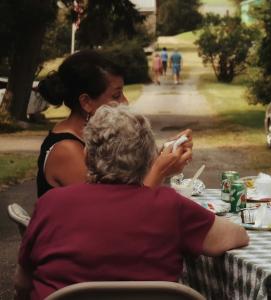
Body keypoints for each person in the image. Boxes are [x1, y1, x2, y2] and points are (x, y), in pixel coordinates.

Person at [14, 104, 250, 300]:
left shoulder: (51, 203)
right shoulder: (169, 205)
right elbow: (236, 236)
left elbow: (22, 281)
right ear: (149, 159)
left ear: (87, 156)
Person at [36, 50, 192, 197]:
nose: (125, 101)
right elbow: (116, 214)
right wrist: (160, 170)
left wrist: (163, 156)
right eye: (116, 95)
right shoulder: (66, 150)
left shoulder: (93, 140)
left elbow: (124, 192)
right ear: (86, 102)